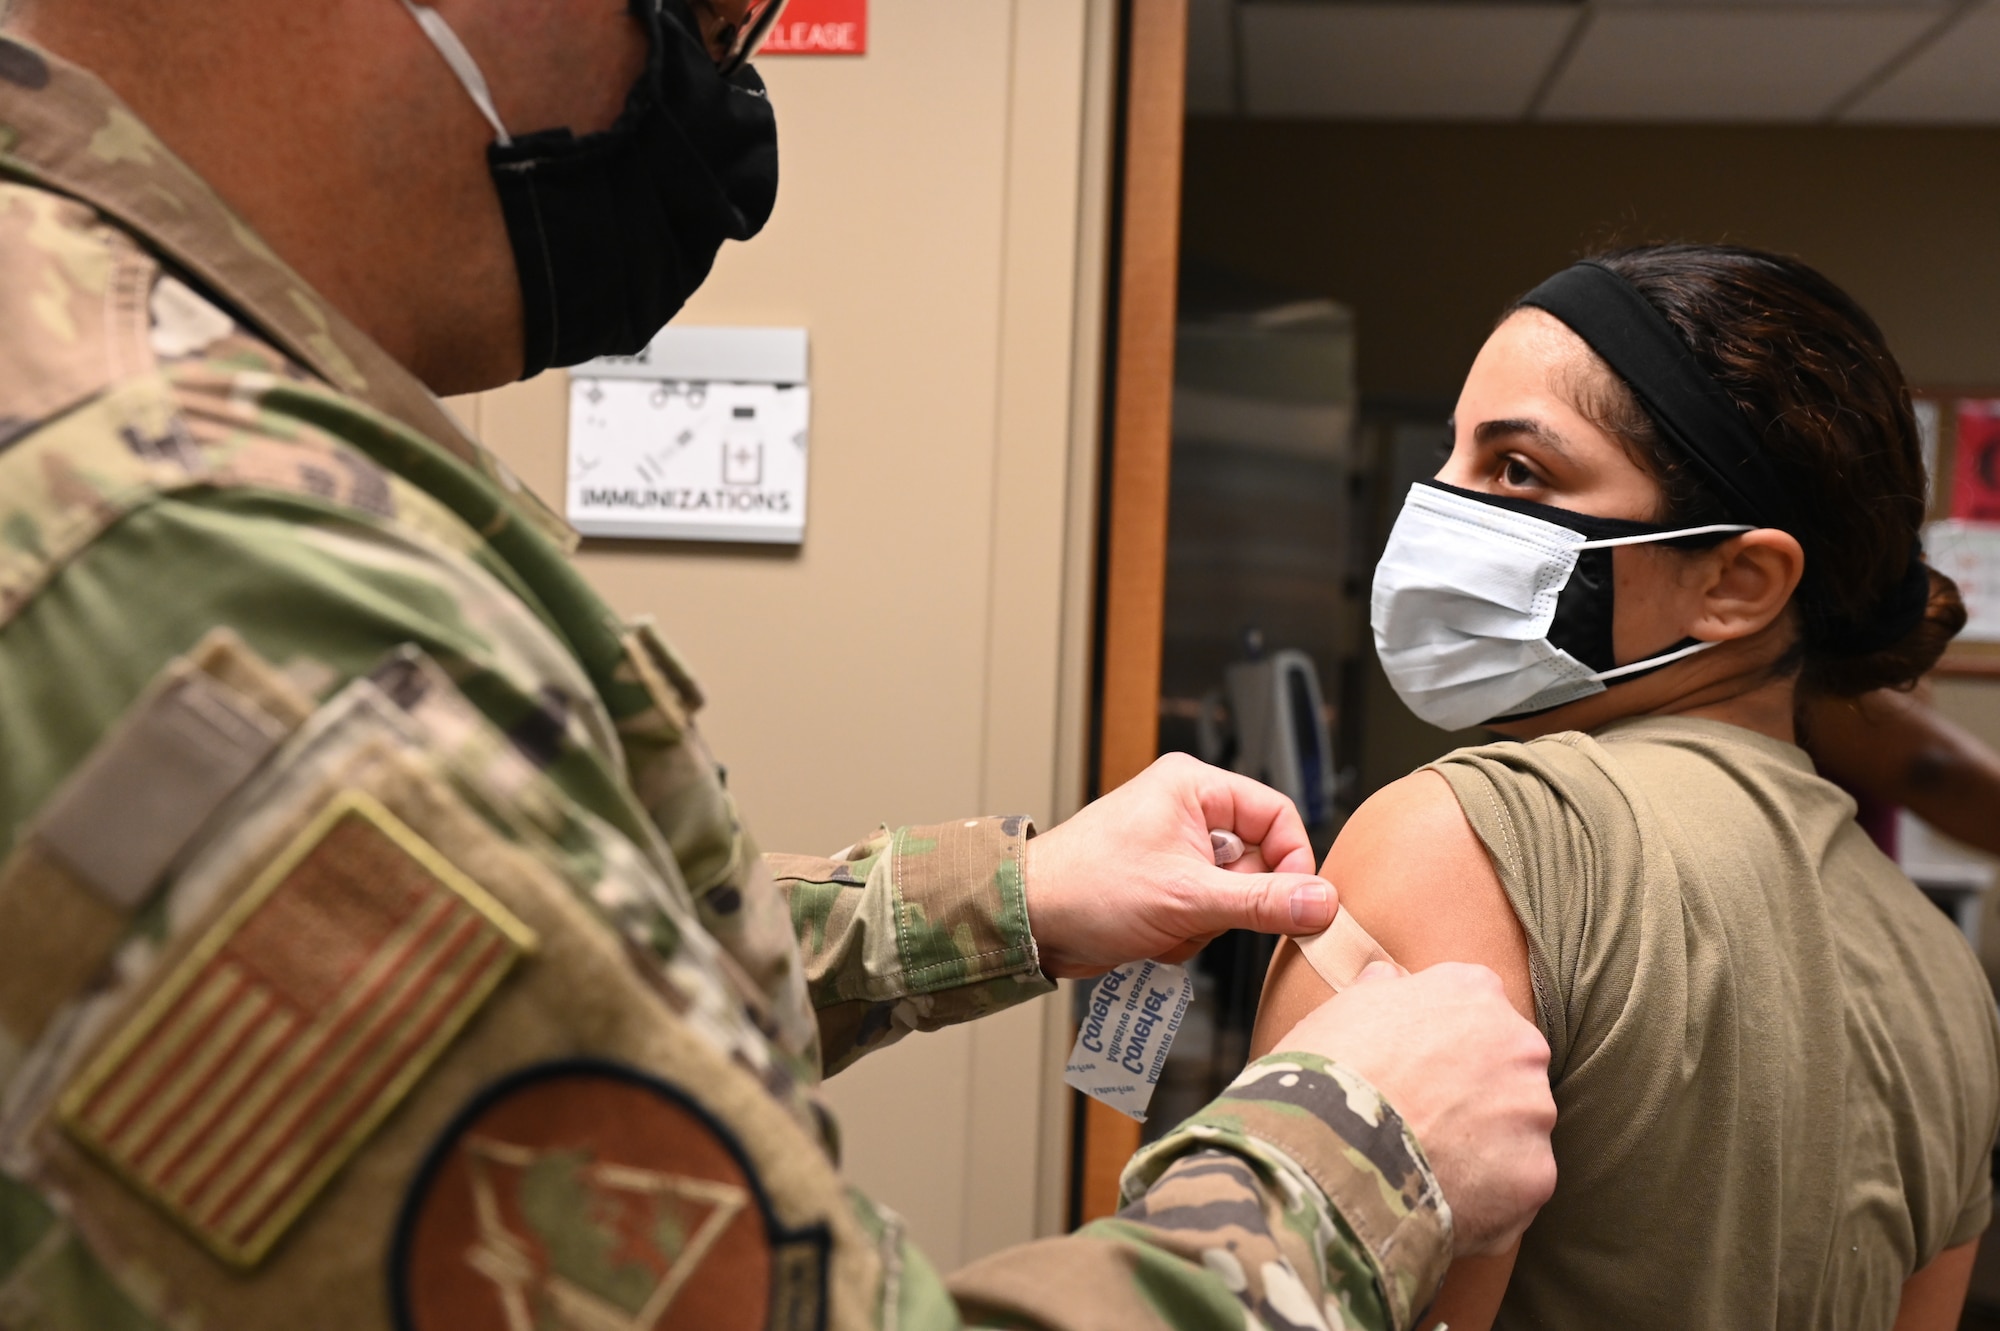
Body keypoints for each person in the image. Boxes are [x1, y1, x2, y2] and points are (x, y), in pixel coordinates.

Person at [0, 3, 1557, 1329]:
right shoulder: (187, 539)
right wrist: (1361, 1157)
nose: (718, 121)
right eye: (693, 18)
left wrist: (1003, 900)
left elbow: (545, 972)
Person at [1252, 245, 2000, 1330]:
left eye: (1517, 472)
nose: (1437, 511)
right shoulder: (1941, 972)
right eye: (1451, 456)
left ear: (1734, 582)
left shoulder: (1464, 842)